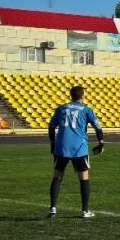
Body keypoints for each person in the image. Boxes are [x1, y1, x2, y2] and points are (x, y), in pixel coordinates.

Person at [47, 85, 104, 218]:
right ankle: (84, 211)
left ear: (71, 96)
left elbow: (51, 127)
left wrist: (52, 144)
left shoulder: (61, 108)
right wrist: (101, 143)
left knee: (57, 176)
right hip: (79, 148)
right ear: (82, 95)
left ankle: (53, 208)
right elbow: (98, 127)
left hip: (61, 147)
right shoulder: (86, 110)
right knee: (84, 178)